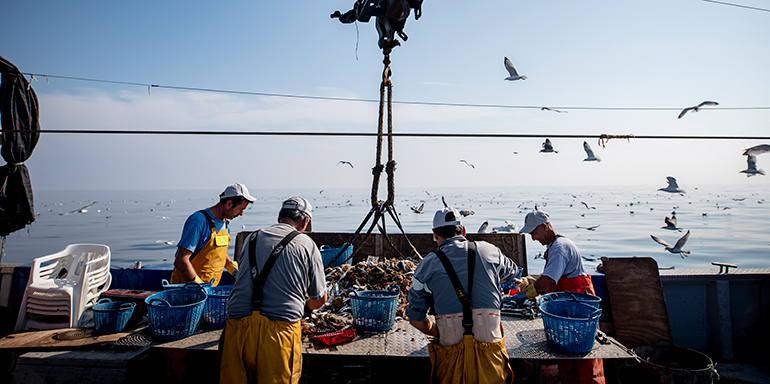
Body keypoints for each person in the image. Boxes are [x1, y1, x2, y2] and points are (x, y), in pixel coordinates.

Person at [406, 207, 521, 384]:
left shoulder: (425, 266)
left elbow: (415, 319)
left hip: (451, 357)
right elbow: (513, 272)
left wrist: (438, 331)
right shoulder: (491, 250)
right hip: (491, 354)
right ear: (464, 231)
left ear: (435, 234)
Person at [220, 197, 327, 384]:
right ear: (305, 222)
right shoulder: (307, 244)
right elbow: (320, 299)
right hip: (279, 335)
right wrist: (306, 308)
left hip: (237, 330)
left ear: (279, 217)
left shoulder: (250, 239)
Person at [517, 210, 605, 384]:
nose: (533, 238)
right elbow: (552, 275)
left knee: (585, 359)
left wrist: (522, 296)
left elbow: (548, 280)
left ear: (544, 226)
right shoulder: (553, 247)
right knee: (568, 358)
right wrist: (529, 280)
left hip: (580, 311)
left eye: (534, 233)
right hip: (569, 311)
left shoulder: (560, 248)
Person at [170, 183, 255, 287]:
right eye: (241, 209)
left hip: (210, 291)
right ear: (229, 203)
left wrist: (235, 271)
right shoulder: (198, 221)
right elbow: (181, 260)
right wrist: (198, 286)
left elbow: (219, 253)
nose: (241, 214)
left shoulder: (225, 224)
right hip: (186, 292)